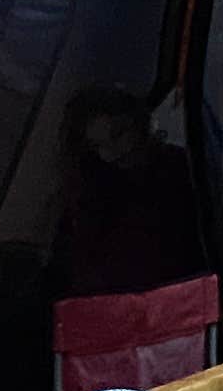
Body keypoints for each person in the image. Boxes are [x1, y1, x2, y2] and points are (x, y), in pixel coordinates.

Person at [54, 85, 205, 300]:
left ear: (137, 122)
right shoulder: (89, 190)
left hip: (177, 299)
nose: (112, 152)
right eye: (98, 146)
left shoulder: (180, 170)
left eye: (118, 134)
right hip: (112, 308)